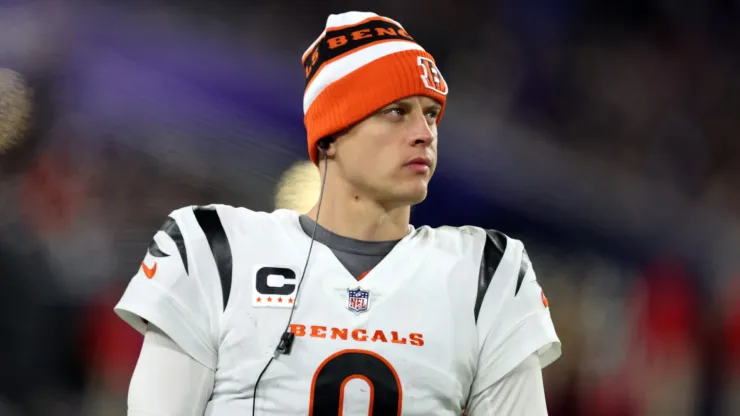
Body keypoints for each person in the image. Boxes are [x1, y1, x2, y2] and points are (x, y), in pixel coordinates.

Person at [115, 11, 561, 415]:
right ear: (331, 134)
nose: (424, 133)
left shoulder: (487, 272)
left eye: (431, 114)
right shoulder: (213, 249)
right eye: (396, 111)